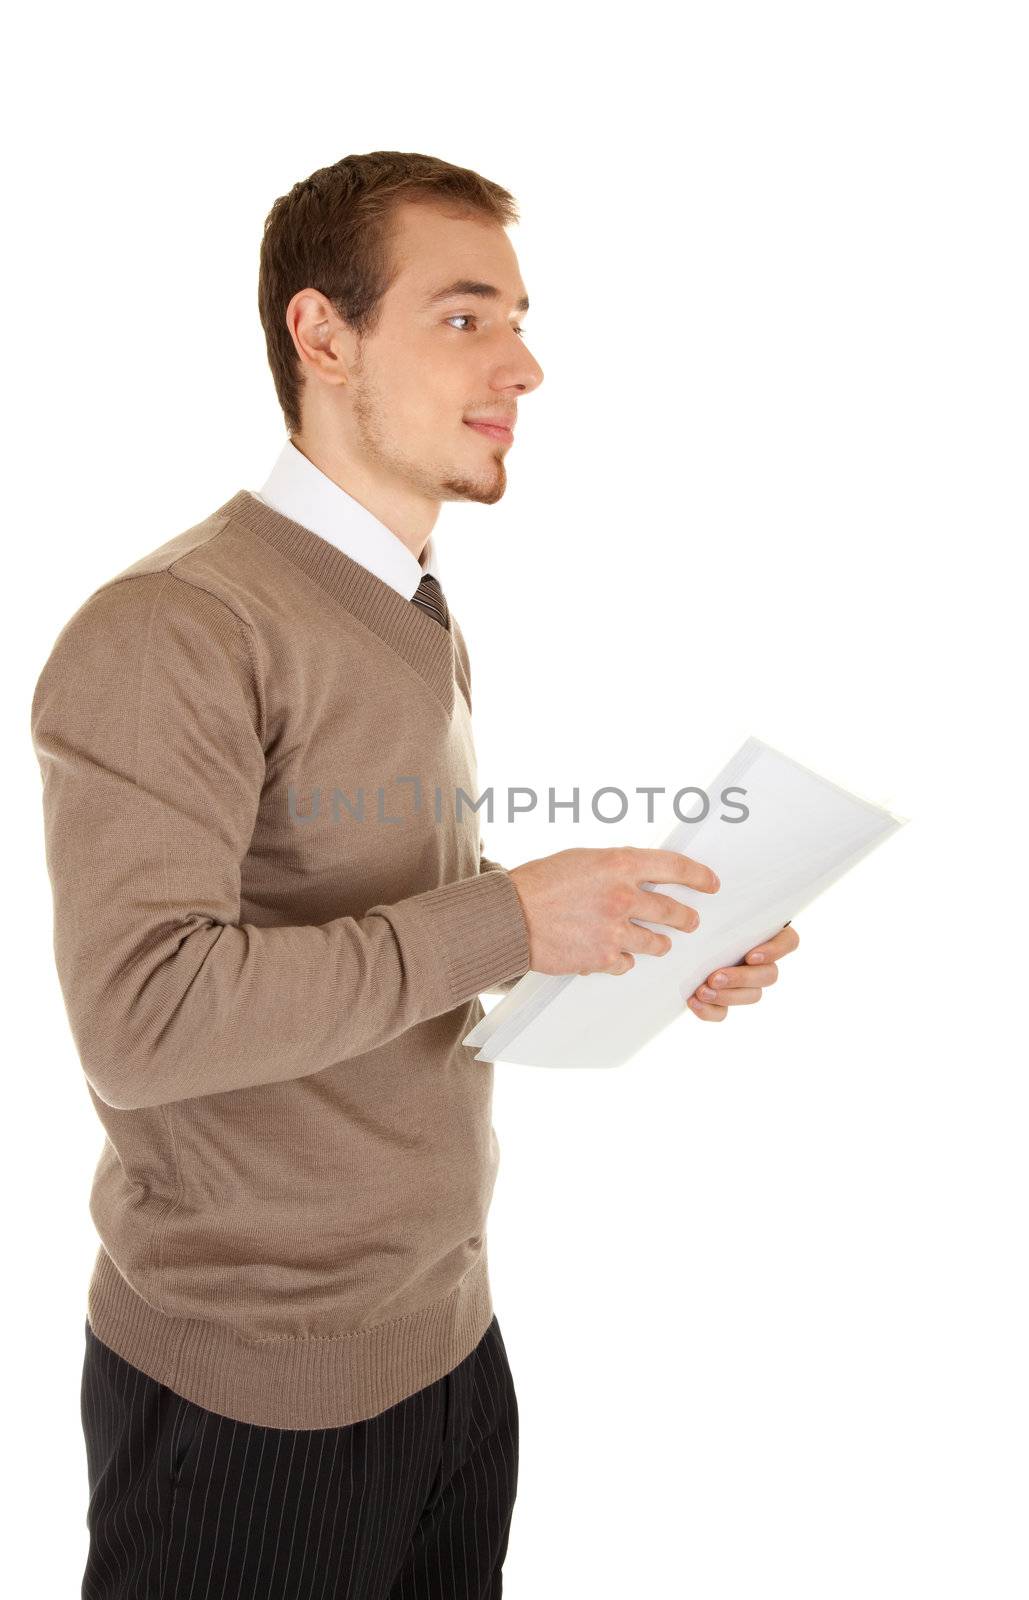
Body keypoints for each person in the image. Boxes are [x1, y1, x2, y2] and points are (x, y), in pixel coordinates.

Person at [31, 150, 800, 1599]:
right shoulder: (172, 629)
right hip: (254, 1399)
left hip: (448, 1343)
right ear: (320, 336)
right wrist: (507, 914)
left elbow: (377, 909)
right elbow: (142, 1018)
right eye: (464, 318)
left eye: (516, 315)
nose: (524, 362)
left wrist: (630, 934)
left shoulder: (406, 601)